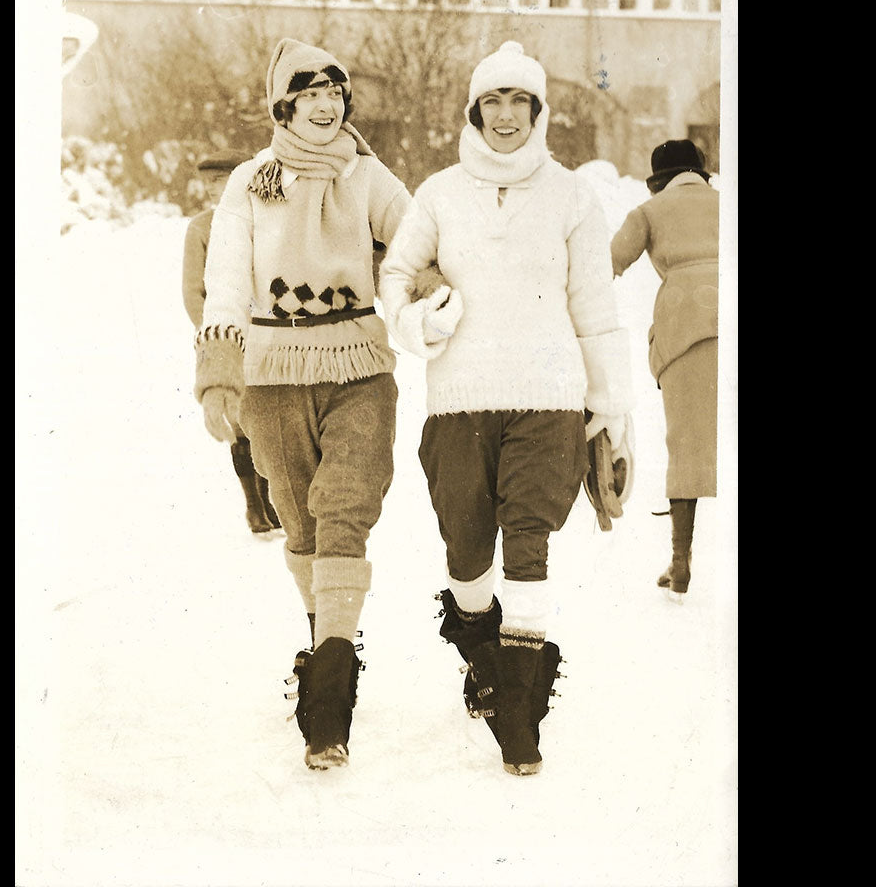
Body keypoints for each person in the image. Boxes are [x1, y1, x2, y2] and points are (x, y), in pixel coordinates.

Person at [379, 41, 634, 776]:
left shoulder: (573, 197)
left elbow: (596, 309)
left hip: (549, 399)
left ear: (539, 111)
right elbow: (394, 276)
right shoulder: (437, 194)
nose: (505, 115)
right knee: (466, 549)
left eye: (519, 101)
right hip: (459, 402)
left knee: (528, 541)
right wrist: (420, 322)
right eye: (492, 101)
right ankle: (485, 658)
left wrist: (610, 408)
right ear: (473, 111)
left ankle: (518, 717)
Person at [193, 38, 411, 770]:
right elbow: (226, 279)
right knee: (300, 519)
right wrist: (219, 373)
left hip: (358, 365)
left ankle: (329, 703)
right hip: (273, 373)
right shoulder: (251, 183)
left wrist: (436, 290)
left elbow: (417, 244)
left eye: (334, 93)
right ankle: (327, 641)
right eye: (309, 94)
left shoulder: (368, 175)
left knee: (345, 508)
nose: (325, 106)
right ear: (283, 107)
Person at [610, 139, 719, 595]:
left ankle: (680, 561)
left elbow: (608, 263)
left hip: (684, 326)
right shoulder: (725, 204)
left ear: (657, 183)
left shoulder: (649, 212)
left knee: (687, 443)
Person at [182, 154, 282, 536]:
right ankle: (254, 505)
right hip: (231, 341)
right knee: (240, 424)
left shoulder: (265, 221)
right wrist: (220, 338)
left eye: (220, 179)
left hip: (271, 337)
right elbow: (193, 292)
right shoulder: (201, 228)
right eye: (208, 182)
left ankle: (272, 500)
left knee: (269, 420)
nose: (212, 188)